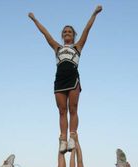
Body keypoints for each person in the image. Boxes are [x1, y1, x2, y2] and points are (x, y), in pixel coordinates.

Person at [28, 6, 102, 153]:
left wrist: (94, 13)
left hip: (73, 78)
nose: (67, 33)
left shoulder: (78, 46)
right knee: (62, 111)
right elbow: (45, 33)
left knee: (72, 109)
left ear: (73, 35)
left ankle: (72, 136)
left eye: (69, 31)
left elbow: (87, 29)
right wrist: (34, 19)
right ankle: (63, 138)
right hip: (60, 80)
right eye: (64, 32)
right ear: (62, 35)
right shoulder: (57, 47)